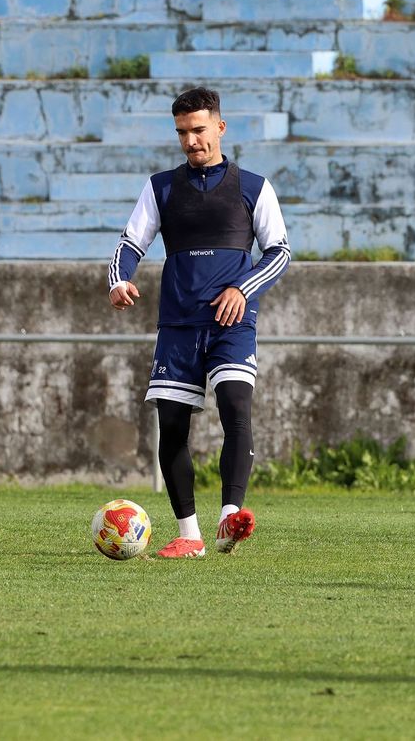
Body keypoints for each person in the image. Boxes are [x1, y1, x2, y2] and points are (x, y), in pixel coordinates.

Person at [107, 87, 291, 558]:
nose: (191, 140)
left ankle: (230, 518)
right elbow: (131, 242)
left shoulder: (253, 186)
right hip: (178, 323)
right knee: (172, 424)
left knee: (235, 403)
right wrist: (119, 281)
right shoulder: (161, 187)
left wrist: (241, 289)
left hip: (232, 321)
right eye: (182, 132)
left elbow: (279, 252)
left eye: (199, 130)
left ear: (220, 127)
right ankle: (189, 536)